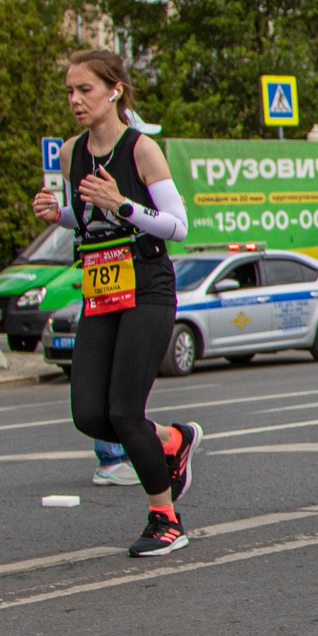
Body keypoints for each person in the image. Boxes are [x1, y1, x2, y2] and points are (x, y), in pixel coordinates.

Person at [30, 50, 201, 558]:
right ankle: (171, 439)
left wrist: (122, 204)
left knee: (125, 411)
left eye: (84, 89)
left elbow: (177, 226)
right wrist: (58, 214)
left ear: (114, 91)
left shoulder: (141, 150)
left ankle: (166, 519)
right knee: (89, 414)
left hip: (147, 284)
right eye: (69, 90)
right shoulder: (71, 153)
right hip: (101, 287)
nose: (75, 100)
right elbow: (86, 218)